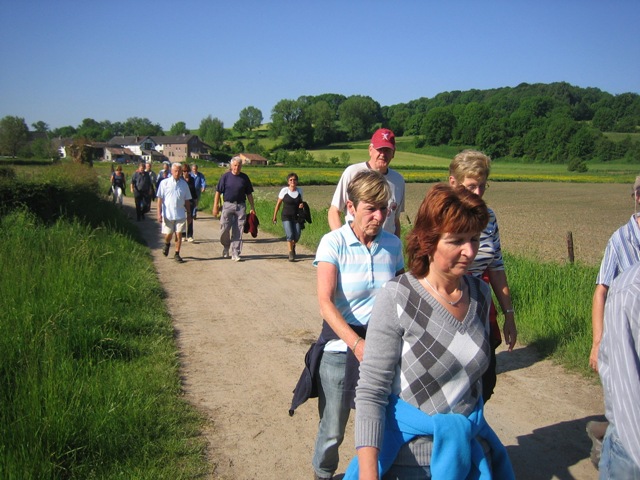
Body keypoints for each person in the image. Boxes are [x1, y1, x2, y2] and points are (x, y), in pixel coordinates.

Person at [350, 183, 514, 480]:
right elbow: (372, 392)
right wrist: (368, 473)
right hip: (408, 462)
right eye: (457, 241)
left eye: (474, 239)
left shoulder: (480, 295)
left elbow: (473, 387)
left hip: (468, 455)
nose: (469, 251)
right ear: (429, 241)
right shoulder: (398, 296)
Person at [291, 169, 404, 480]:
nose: (379, 217)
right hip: (341, 348)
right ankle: (323, 473)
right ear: (351, 207)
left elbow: (400, 296)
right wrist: (356, 343)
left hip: (383, 348)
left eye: (384, 209)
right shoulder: (333, 242)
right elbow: (325, 303)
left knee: (384, 422)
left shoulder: (393, 245)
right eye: (371, 208)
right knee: (333, 428)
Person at [448, 149, 517, 402]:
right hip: (447, 308)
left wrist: (509, 314)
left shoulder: (490, 218)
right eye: (471, 186)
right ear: (453, 183)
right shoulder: (440, 216)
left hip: (481, 308)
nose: (477, 193)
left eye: (482, 186)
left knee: (485, 382)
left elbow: (496, 266)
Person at [587, 175, 640, 465]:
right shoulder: (621, 240)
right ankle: (607, 446)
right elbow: (601, 291)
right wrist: (598, 342)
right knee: (626, 405)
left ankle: (603, 436)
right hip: (624, 336)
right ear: (637, 198)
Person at [597, 261, 640, 478]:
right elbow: (601, 290)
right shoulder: (630, 290)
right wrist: (596, 342)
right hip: (631, 447)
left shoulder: (628, 288)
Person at [328, 128, 405, 237]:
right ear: (370, 150)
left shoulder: (398, 180)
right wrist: (343, 241)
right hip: (356, 243)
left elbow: (395, 220)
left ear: (393, 153)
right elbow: (334, 211)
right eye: (380, 149)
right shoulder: (353, 173)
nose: (383, 154)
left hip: (386, 246)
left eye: (387, 150)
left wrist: (396, 244)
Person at [212, 157, 256, 262]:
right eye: (235, 165)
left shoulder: (244, 178)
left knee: (238, 230)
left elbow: (249, 194)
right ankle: (226, 246)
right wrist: (215, 206)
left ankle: (235, 252)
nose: (237, 167)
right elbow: (218, 192)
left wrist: (252, 207)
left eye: (239, 165)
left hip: (240, 206)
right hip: (228, 205)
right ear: (231, 166)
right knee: (224, 228)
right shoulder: (225, 177)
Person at [156, 162, 192, 263]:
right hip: (168, 214)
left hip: (180, 213)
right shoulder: (164, 183)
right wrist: (159, 213)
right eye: (175, 171)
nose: (177, 173)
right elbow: (159, 200)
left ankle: (177, 253)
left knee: (179, 234)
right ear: (171, 171)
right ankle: (167, 244)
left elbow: (187, 200)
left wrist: (189, 214)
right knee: (169, 234)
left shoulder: (184, 184)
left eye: (179, 171)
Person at [272, 172, 304, 261]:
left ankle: (293, 246)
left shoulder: (300, 191)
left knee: (297, 235)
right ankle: (290, 253)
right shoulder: (284, 191)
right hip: (286, 216)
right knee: (290, 235)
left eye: (294, 180)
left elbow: (301, 202)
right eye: (291, 180)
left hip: (297, 216)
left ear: (297, 181)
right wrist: (274, 216)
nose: (293, 181)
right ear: (288, 182)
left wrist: (301, 206)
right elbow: (278, 204)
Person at [181, 163, 197, 242]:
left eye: (187, 171)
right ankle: (183, 235)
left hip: (190, 200)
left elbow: (193, 190)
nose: (186, 172)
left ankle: (190, 235)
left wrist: (195, 200)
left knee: (190, 218)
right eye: (184, 171)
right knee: (182, 218)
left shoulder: (192, 179)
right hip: (181, 201)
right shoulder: (180, 179)